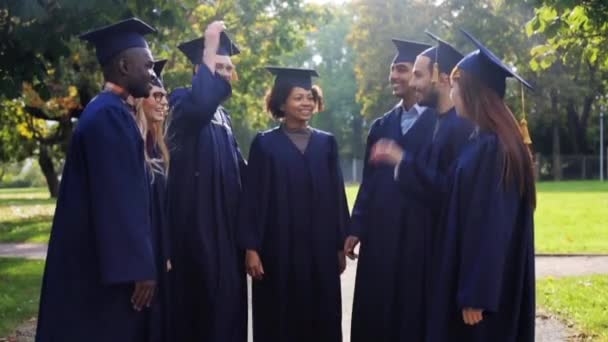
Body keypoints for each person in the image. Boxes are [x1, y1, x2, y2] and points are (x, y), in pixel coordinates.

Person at [372, 29, 536, 342]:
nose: (453, 93)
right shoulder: (485, 141)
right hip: (471, 279)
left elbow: (491, 225)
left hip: (481, 294)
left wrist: (477, 292)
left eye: (457, 86)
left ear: (471, 92)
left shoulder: (493, 148)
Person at [36, 18, 158, 341]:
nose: (153, 72)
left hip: (101, 261)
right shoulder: (109, 117)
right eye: (146, 65)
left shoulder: (109, 111)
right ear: (123, 65)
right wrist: (140, 267)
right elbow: (119, 201)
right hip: (102, 273)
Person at [238, 67, 349, 342]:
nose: (306, 103)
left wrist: (340, 244)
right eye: (298, 97)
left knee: (321, 316)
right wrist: (251, 248)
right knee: (279, 319)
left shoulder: (327, 144)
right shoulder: (265, 145)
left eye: (310, 97)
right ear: (281, 103)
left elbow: (337, 196)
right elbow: (252, 200)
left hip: (319, 252)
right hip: (279, 253)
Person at [346, 38, 438, 342]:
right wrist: (356, 226)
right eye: (392, 69)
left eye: (401, 69)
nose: (393, 76)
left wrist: (403, 158)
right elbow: (369, 183)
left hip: (420, 235)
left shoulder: (441, 125)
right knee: (378, 310)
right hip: (382, 236)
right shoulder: (382, 125)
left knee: (413, 311)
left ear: (418, 74)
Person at [166, 21, 246, 342]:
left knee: (227, 308)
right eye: (218, 65)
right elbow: (201, 104)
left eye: (229, 67)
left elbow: (241, 170)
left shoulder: (224, 118)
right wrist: (210, 44)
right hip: (194, 227)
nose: (226, 73)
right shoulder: (182, 101)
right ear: (199, 69)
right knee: (199, 310)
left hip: (225, 229)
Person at [135, 59, 172, 342]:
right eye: (157, 96)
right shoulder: (133, 148)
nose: (164, 103)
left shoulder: (158, 150)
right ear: (140, 101)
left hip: (159, 258)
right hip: (140, 261)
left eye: (166, 97)